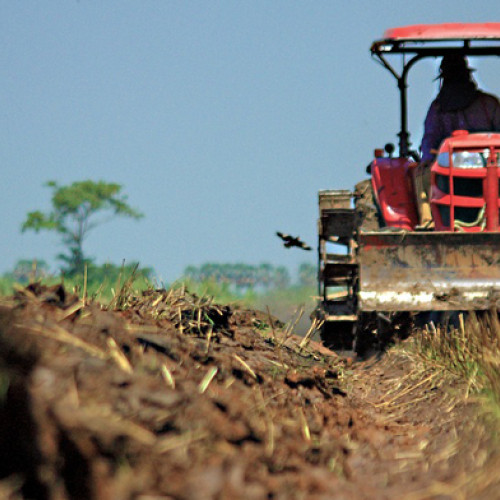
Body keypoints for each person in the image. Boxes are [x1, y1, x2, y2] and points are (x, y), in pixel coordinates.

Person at [414, 54, 500, 227]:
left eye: (457, 76)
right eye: (451, 77)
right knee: (422, 174)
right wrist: (427, 159)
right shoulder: (438, 109)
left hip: (490, 162)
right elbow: (430, 138)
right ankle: (429, 221)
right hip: (447, 165)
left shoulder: (488, 104)